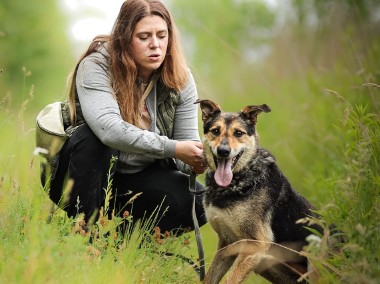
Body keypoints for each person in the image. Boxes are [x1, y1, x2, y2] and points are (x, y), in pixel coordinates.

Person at [43, 0, 207, 234]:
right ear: (124, 37)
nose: (155, 45)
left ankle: (121, 243)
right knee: (92, 138)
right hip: (82, 177)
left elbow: (185, 147)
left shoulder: (180, 78)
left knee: (199, 202)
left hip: (137, 180)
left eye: (162, 35)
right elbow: (108, 129)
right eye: (144, 37)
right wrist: (173, 148)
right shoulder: (95, 65)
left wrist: (202, 158)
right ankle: (82, 233)